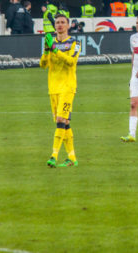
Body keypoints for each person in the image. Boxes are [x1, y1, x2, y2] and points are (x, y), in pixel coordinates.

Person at [41, 14, 80, 168]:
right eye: (57, 22)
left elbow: (71, 62)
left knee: (60, 121)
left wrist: (55, 50)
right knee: (66, 123)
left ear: (68, 25)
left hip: (68, 87)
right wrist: (46, 50)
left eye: (63, 22)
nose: (60, 25)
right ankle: (72, 158)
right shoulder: (51, 43)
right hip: (53, 88)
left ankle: (53, 156)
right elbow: (43, 65)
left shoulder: (74, 43)